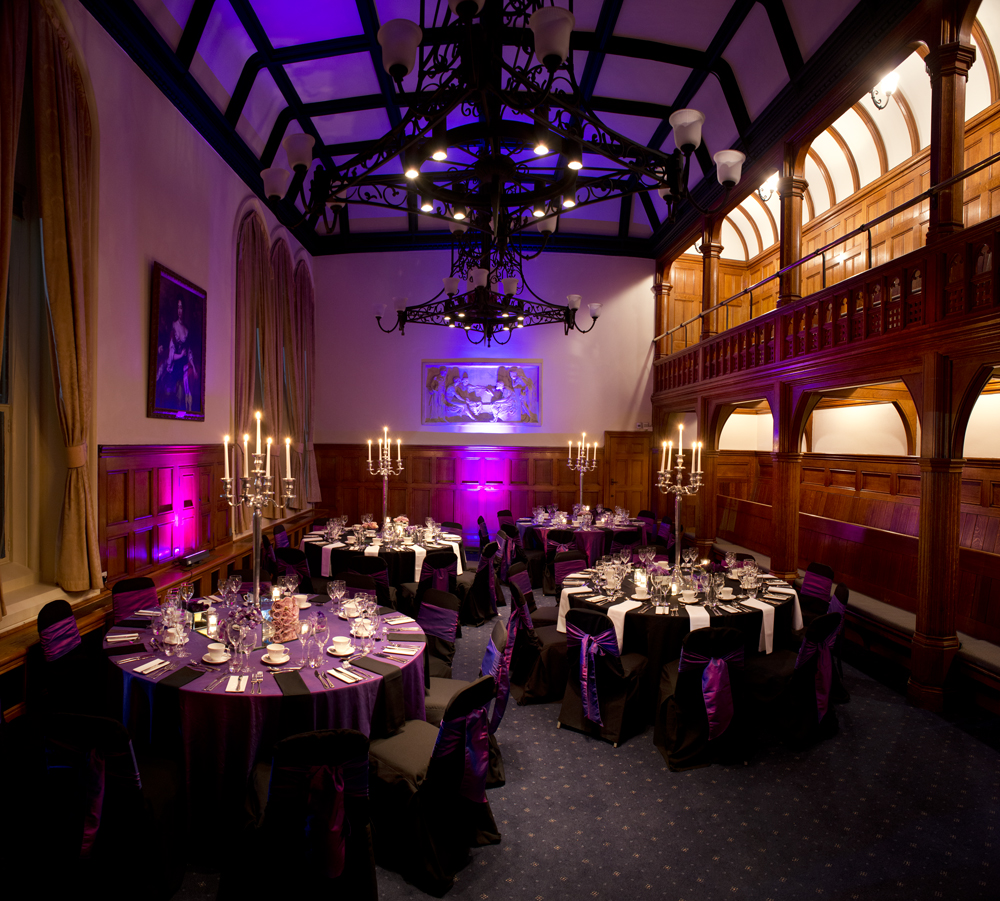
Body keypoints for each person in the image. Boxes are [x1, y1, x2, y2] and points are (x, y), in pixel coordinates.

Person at [156, 297, 199, 411]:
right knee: (169, 392)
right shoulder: (173, 326)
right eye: (178, 307)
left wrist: (194, 367)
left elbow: (189, 351)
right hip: (173, 362)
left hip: (182, 364)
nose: (180, 310)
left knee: (188, 383)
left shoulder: (187, 330)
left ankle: (187, 409)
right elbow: (171, 350)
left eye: (182, 308)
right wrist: (179, 355)